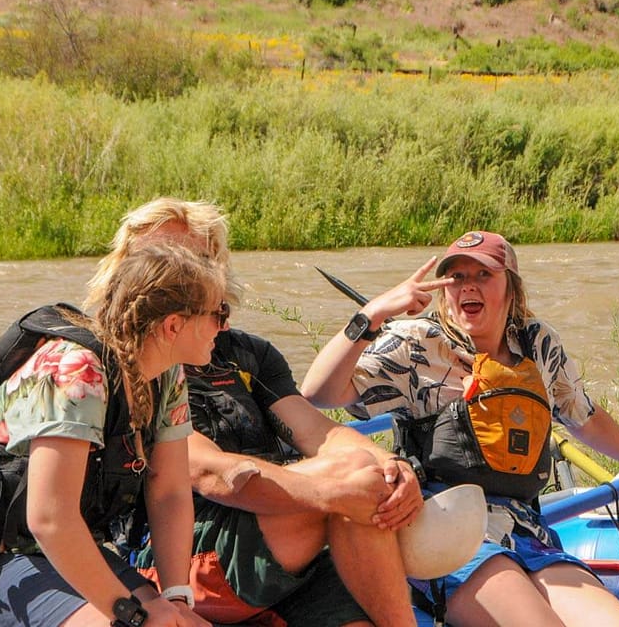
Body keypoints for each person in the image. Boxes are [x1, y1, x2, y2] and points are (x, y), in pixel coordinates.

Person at [301, 230, 619, 627]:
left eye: (483, 275)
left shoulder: (538, 344)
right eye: (456, 278)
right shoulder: (416, 344)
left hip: (526, 528)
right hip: (447, 530)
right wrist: (372, 316)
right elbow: (319, 392)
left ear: (511, 289)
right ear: (444, 291)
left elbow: (582, 414)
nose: (469, 286)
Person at [85, 198, 422, 627]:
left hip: (287, 531)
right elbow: (207, 472)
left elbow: (319, 431)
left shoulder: (246, 355)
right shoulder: (130, 364)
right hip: (187, 548)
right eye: (161, 259)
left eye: (196, 260)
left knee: (362, 478)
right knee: (353, 487)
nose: (182, 273)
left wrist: (391, 466)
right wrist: (335, 489)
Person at [0, 243, 224, 627]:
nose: (224, 326)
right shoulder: (78, 370)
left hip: (53, 551)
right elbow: (49, 518)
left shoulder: (165, 374)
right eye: (218, 313)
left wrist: (176, 598)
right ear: (174, 325)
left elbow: (169, 492)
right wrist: (131, 614)